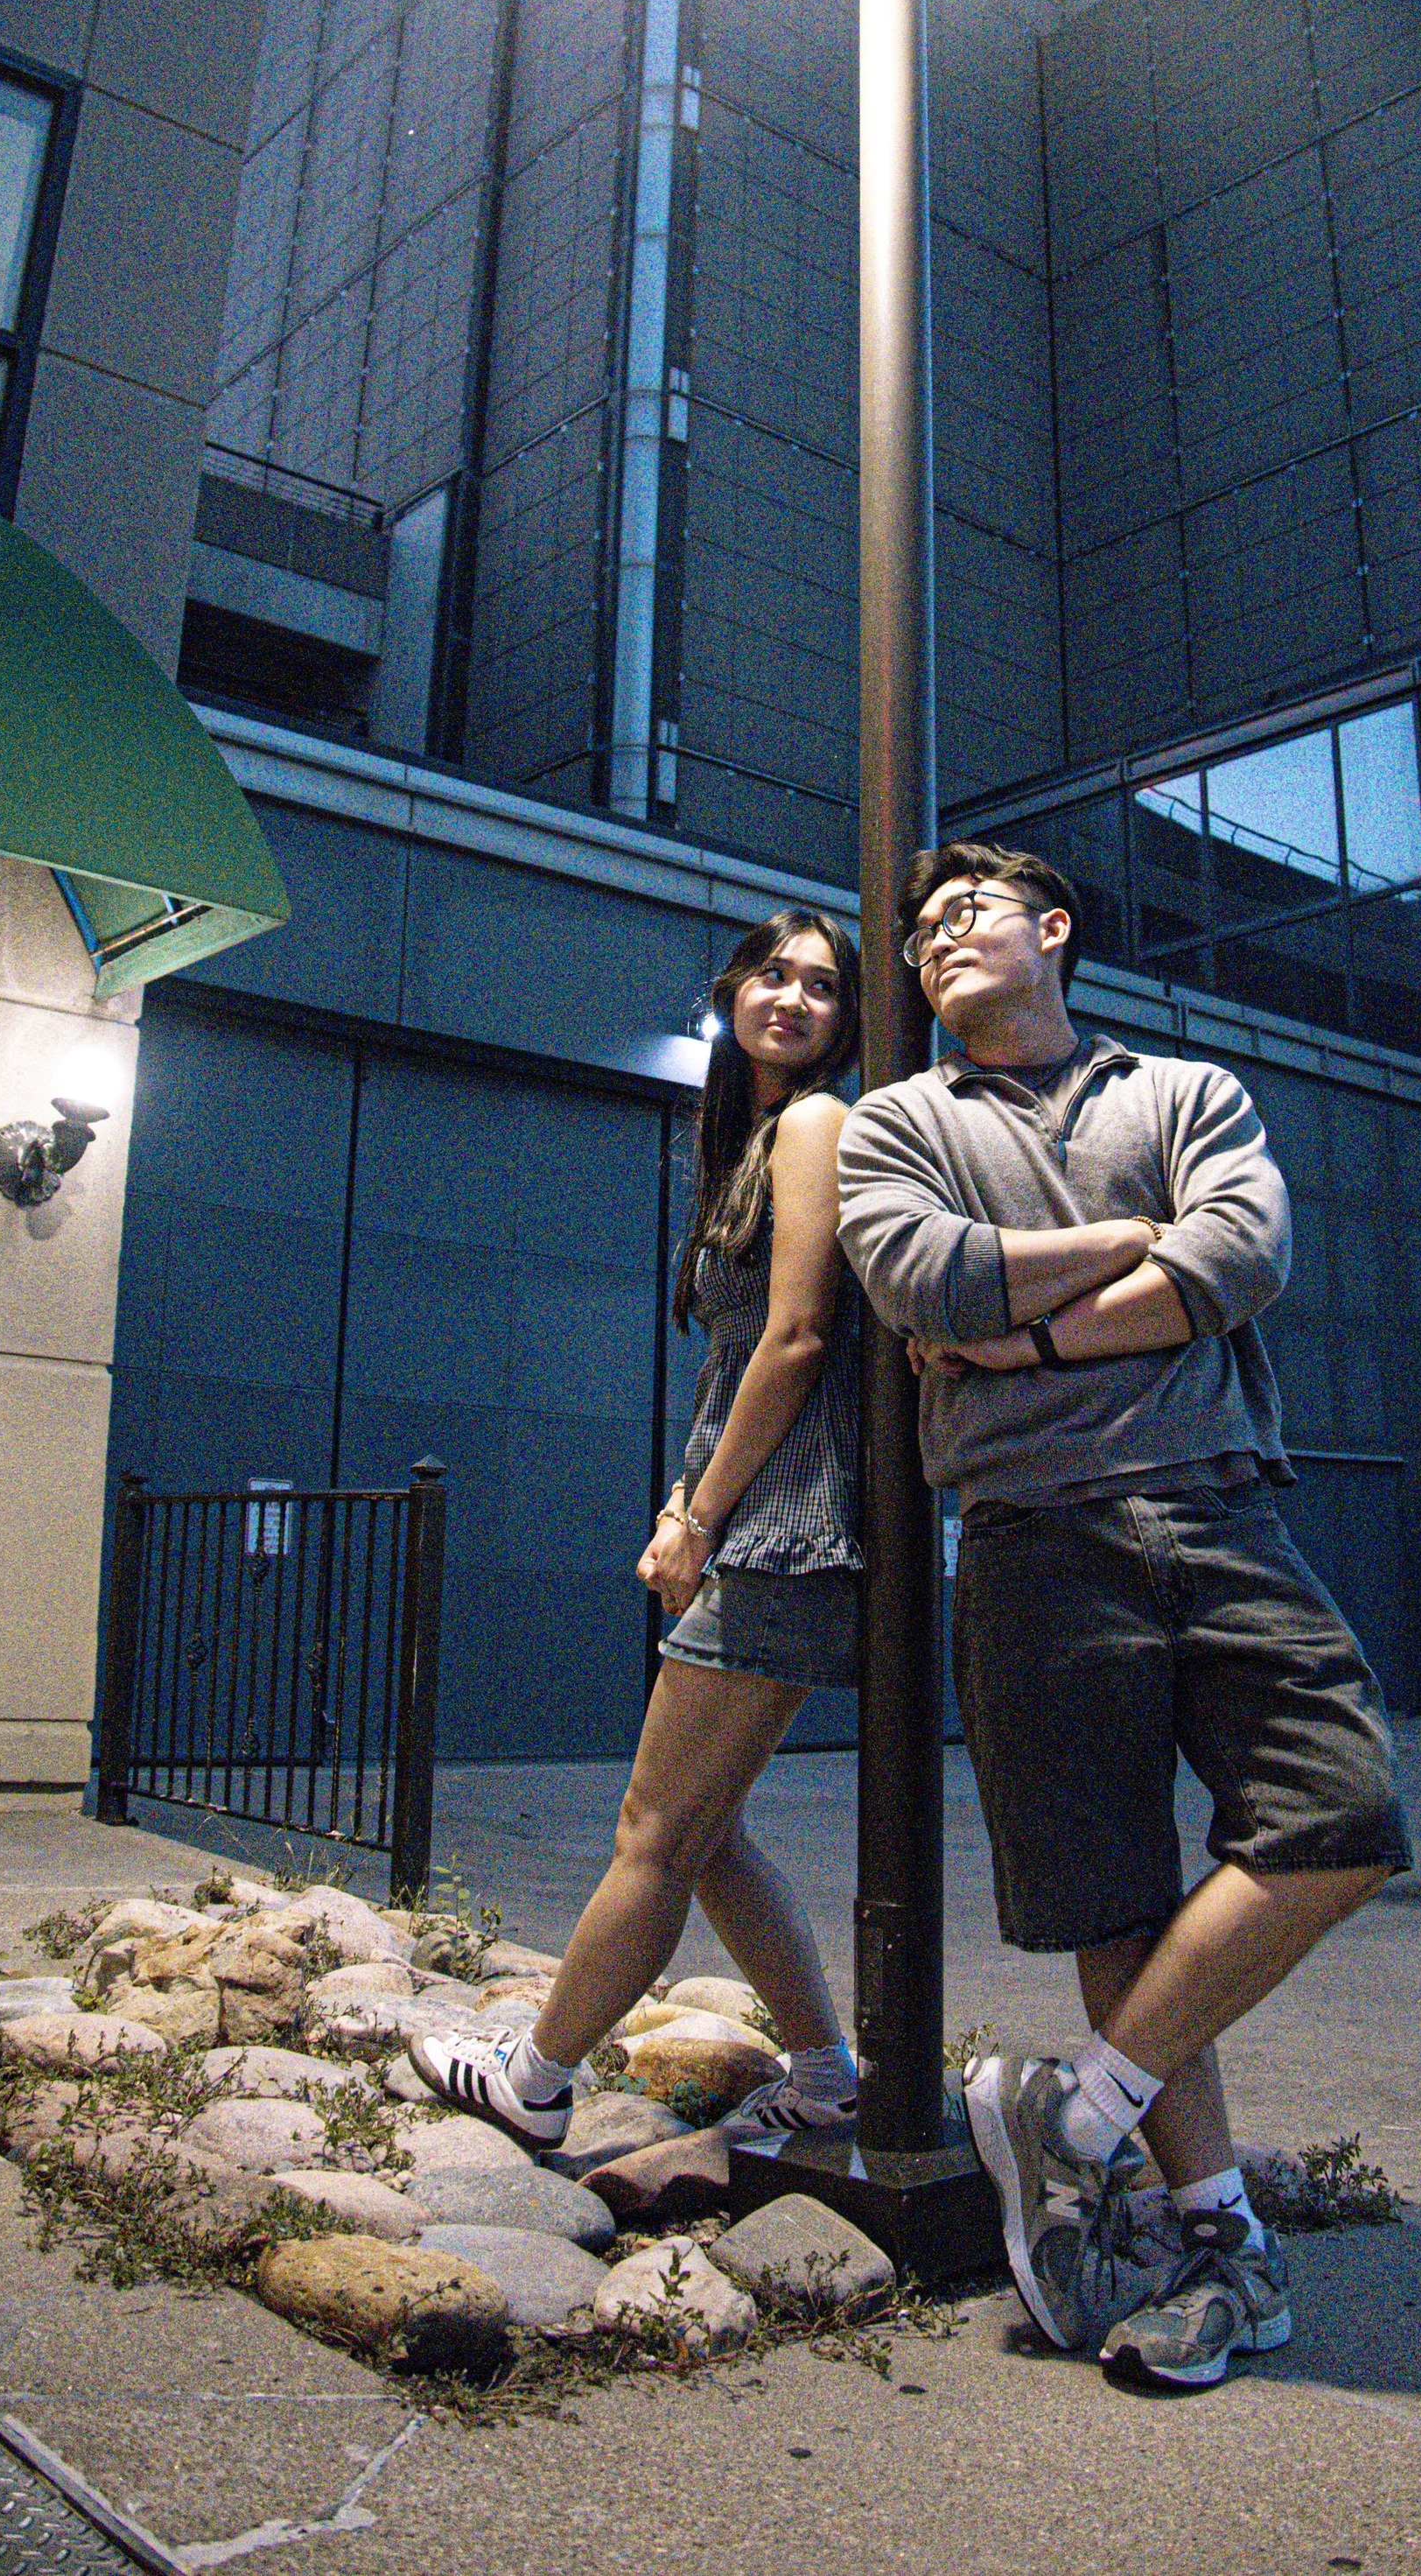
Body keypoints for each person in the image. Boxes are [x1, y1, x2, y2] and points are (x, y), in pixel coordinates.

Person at [835, 841, 1412, 2390]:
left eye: (970, 911)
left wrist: (1024, 1348)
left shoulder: (1185, 1092)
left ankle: (1074, 2118)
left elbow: (1247, 1249)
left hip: (1218, 1504)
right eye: (919, 929)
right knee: (1110, 1896)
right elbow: (925, 1277)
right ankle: (1213, 2239)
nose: (939, 936)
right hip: (1031, 1539)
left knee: (1341, 1811)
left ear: (1055, 930)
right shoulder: (902, 1122)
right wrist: (1130, 1252)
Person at [415, 906, 866, 2151]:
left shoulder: (819, 1122)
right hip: (757, 1525)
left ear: (845, 1021)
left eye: (823, 987)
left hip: (790, 1530)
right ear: (732, 987)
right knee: (709, 1835)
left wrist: (701, 1515)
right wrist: (684, 1504)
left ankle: (539, 2078)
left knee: (654, 1832)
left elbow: (798, 1337)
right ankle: (826, 2074)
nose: (793, 998)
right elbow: (738, 1364)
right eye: (774, 972)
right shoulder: (754, 1137)